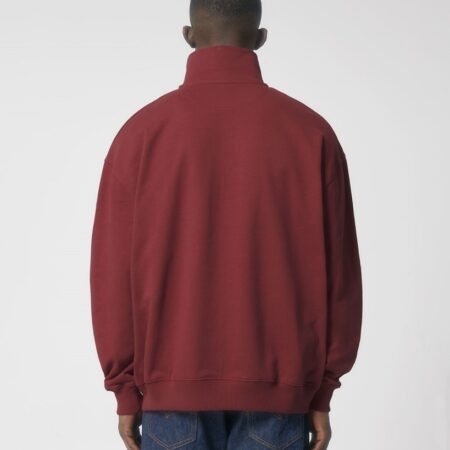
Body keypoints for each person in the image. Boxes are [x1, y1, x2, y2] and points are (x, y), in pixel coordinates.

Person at [89, 0, 363, 449]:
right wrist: (322, 390)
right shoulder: (312, 134)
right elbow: (341, 280)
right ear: (260, 39)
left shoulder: (139, 135)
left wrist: (125, 390)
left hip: (170, 396)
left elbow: (111, 276)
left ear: (188, 35)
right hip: (280, 398)